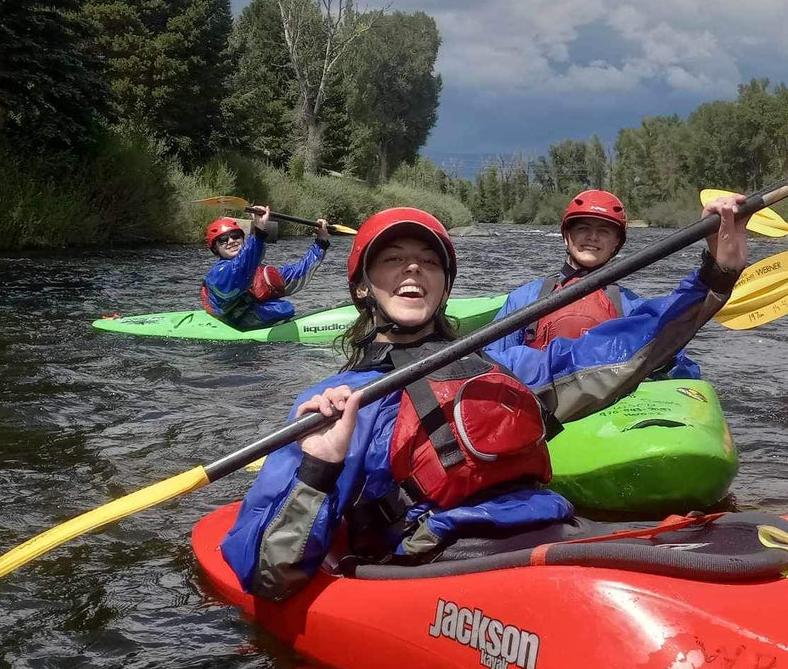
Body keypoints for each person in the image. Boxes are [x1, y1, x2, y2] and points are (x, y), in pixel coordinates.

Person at [220, 199, 749, 600]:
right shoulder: (336, 406)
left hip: (550, 530)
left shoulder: (503, 370)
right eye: (393, 260)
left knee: (743, 541)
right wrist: (319, 467)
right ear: (362, 287)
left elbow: (622, 349)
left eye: (428, 261)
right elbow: (270, 571)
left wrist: (715, 275)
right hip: (449, 564)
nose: (412, 270)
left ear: (444, 286)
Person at [483, 190, 700, 378]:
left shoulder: (630, 306)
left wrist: (669, 364)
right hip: (541, 400)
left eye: (604, 231)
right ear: (567, 236)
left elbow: (679, 368)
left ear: (616, 243)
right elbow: (490, 360)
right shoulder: (526, 298)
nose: (592, 237)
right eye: (583, 228)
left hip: (610, 413)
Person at [201, 206, 330, 330]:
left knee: (278, 296)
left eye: (235, 236)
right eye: (223, 240)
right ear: (215, 249)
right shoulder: (219, 274)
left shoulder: (256, 269)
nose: (231, 241)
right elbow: (241, 266)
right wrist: (258, 229)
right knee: (279, 308)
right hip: (232, 324)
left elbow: (298, 273)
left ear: (242, 239)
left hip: (255, 322)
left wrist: (321, 242)